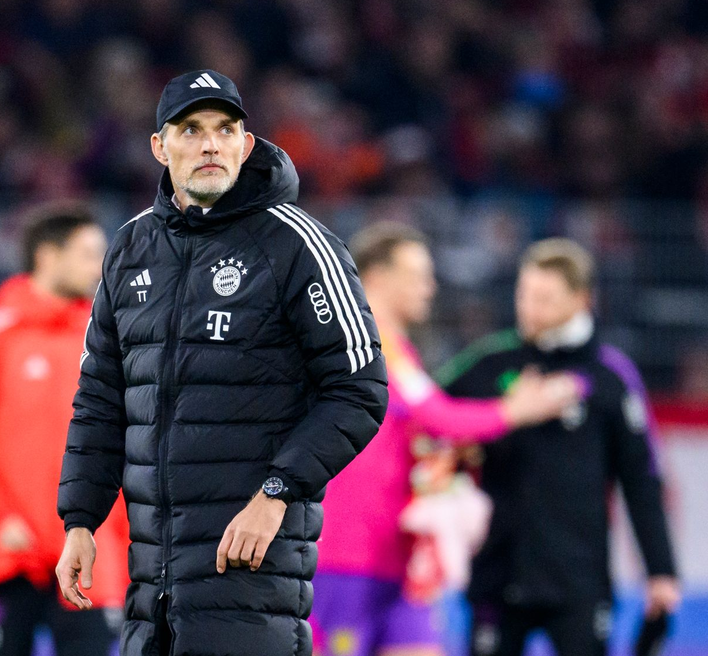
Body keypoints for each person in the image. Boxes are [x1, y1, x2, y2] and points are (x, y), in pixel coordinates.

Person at [54, 69, 390, 656]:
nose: (210, 143)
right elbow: (102, 397)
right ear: (160, 147)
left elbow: (359, 389)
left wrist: (276, 493)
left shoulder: (298, 244)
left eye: (225, 129)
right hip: (151, 595)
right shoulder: (130, 250)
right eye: (190, 130)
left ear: (246, 143)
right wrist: (80, 519)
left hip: (254, 587)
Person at [310, 222, 581, 656]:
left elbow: (425, 425)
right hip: (347, 553)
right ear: (377, 277)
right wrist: (514, 410)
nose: (430, 286)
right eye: (416, 275)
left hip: (400, 556)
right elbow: (436, 417)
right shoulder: (354, 344)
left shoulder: (400, 352)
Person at [437, 238, 681, 656]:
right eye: (524, 294)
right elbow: (426, 417)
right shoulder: (489, 363)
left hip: (579, 583)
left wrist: (661, 570)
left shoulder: (611, 376)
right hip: (498, 574)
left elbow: (641, 481)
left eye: (545, 298)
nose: (529, 308)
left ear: (582, 299)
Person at [0, 209, 130, 656]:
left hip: (90, 558)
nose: (98, 267)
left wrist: (119, 533)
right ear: (47, 256)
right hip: (5, 558)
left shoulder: (107, 346)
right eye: (86, 254)